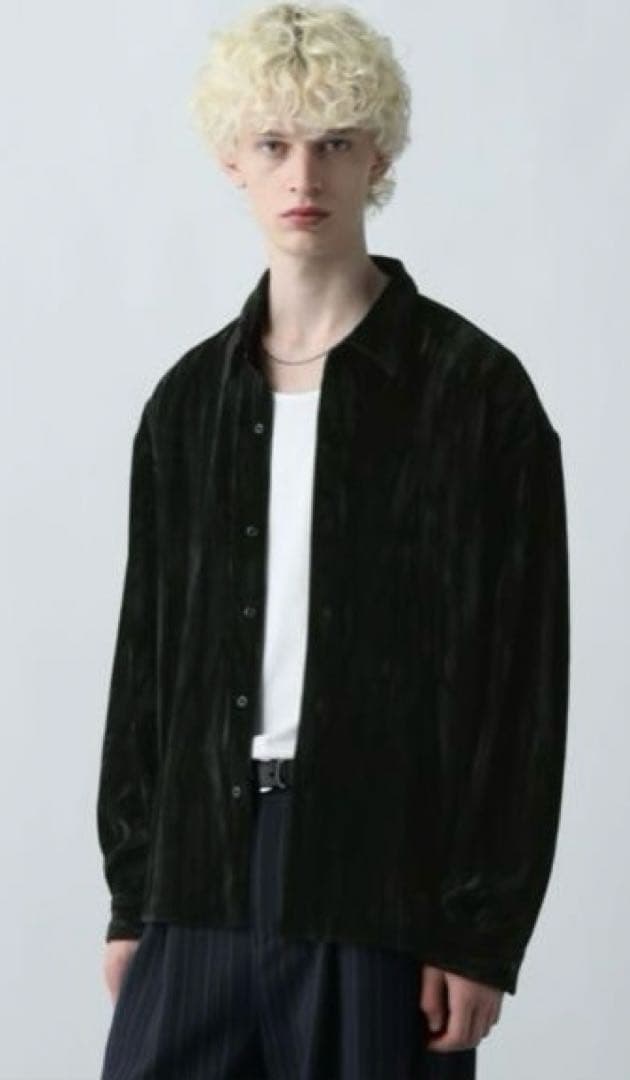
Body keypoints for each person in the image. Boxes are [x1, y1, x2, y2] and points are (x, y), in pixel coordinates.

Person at [96, 3, 570, 1078]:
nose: (302, 174)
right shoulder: (188, 405)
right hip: (199, 880)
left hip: (381, 882)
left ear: (378, 157)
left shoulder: (474, 395)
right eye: (273, 143)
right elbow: (145, 668)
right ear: (234, 160)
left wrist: (481, 930)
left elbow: (522, 687)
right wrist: (133, 897)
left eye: (335, 142)